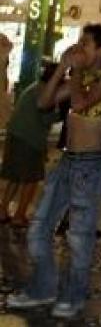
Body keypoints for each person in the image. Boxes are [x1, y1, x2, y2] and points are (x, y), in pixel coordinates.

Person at [8, 24, 101, 319]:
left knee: (79, 237)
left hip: (91, 164)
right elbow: (44, 102)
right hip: (67, 161)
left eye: (86, 43)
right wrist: (62, 69)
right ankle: (43, 288)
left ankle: (74, 296)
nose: (80, 47)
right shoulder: (76, 77)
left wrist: (76, 70)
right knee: (38, 227)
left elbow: (82, 103)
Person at [0, 61, 63, 228]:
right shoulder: (46, 92)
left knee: (15, 176)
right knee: (31, 178)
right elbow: (46, 117)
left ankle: (3, 210)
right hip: (30, 140)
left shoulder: (35, 87)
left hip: (15, 135)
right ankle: (19, 215)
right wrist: (61, 114)